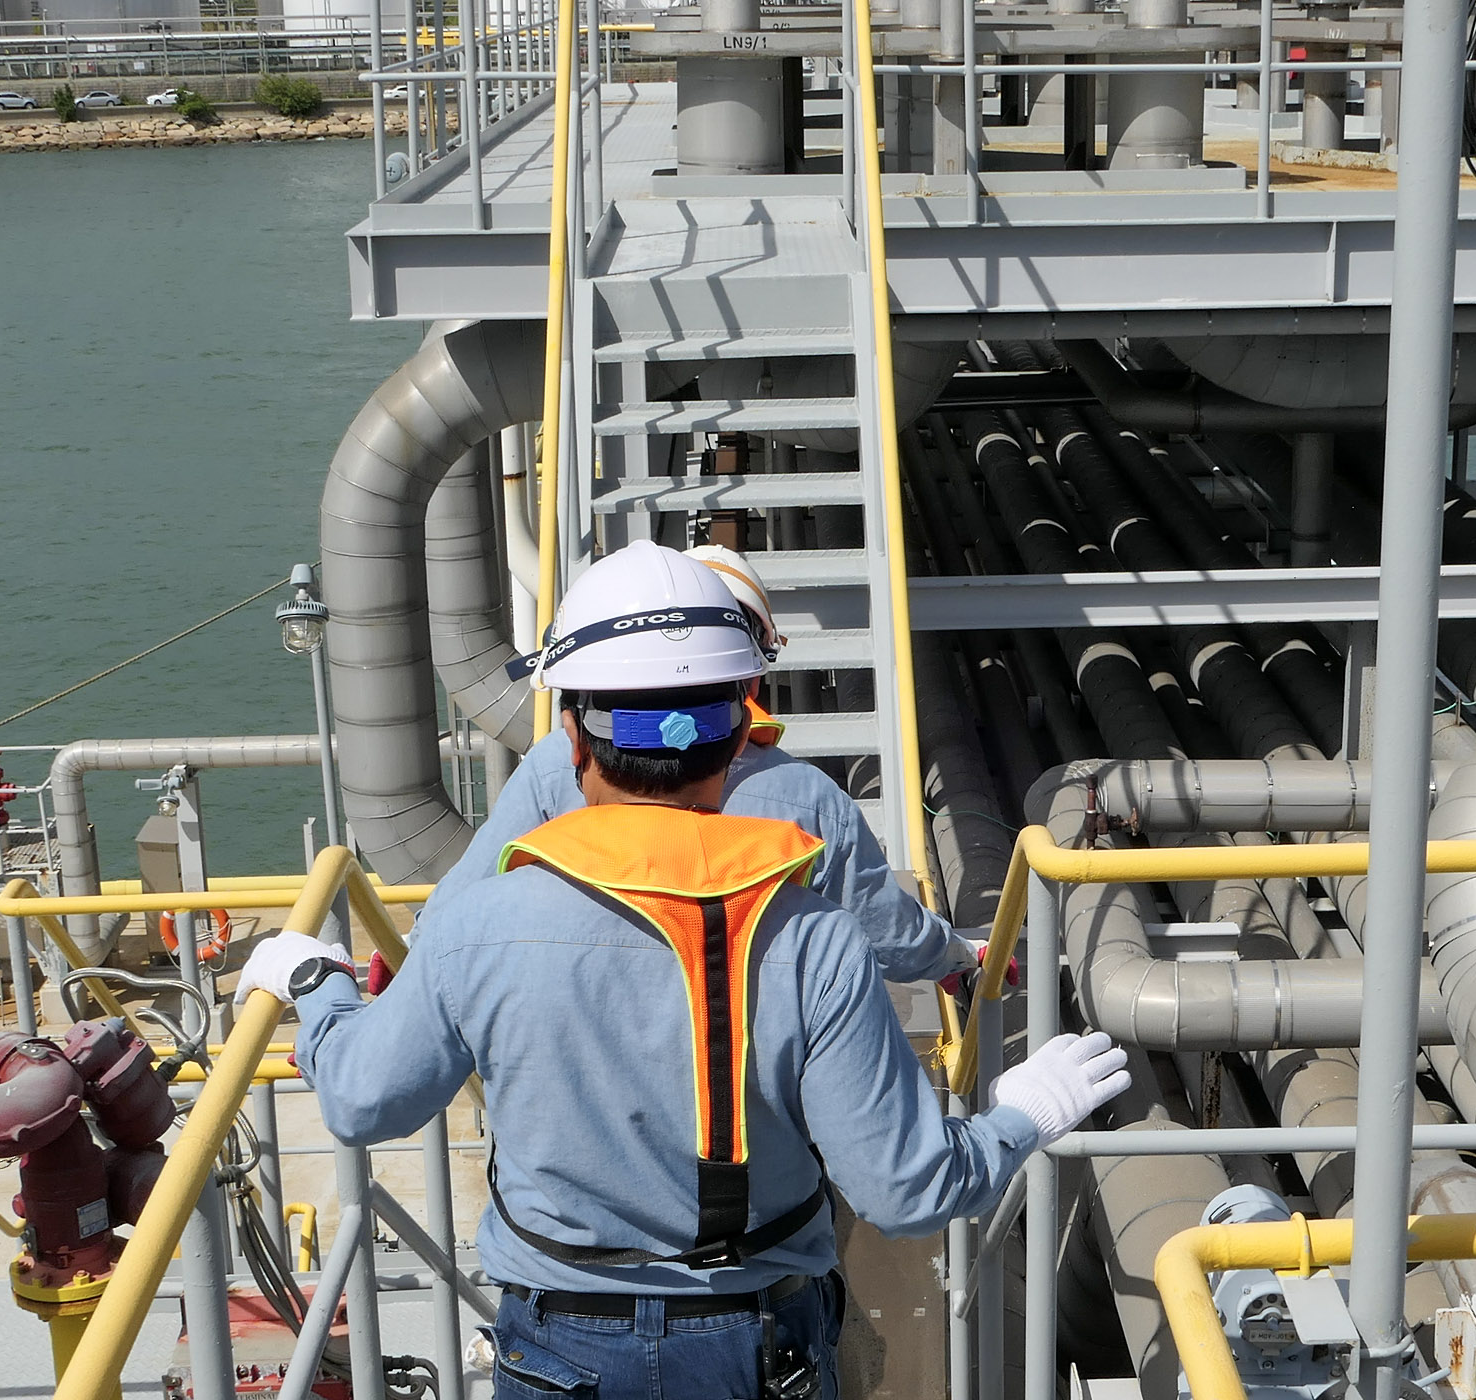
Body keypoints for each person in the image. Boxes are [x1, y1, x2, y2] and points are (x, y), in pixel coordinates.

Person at [246, 542, 1128, 1398]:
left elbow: (362, 1102)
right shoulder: (813, 938)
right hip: (761, 1343)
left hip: (558, 1343)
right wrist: (1019, 1115)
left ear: (571, 735)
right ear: (740, 728)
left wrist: (320, 987)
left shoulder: (476, 926)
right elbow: (906, 1191)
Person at [426, 539, 977, 986]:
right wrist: (955, 954)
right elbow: (891, 938)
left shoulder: (552, 766)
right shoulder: (810, 801)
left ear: (574, 734)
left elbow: (454, 908)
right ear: (750, 684)